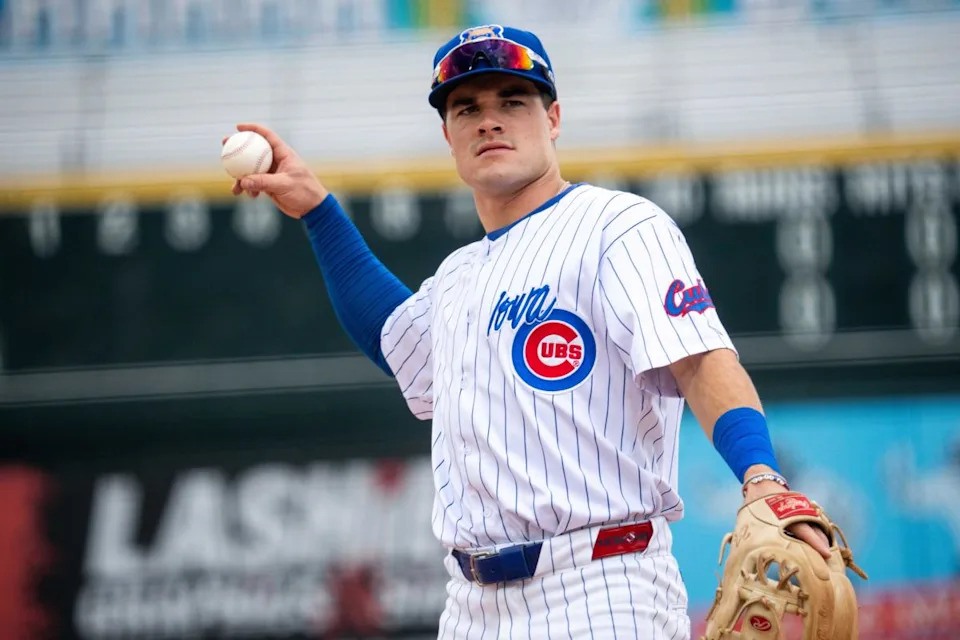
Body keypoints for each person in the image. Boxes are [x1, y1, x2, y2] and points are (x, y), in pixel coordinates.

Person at [228, 24, 830, 639]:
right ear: (449, 134)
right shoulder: (459, 275)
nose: (489, 121)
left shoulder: (616, 226)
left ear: (554, 118)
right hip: (470, 604)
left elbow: (700, 359)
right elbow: (396, 338)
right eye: (468, 108)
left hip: (601, 585)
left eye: (512, 101)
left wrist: (760, 476)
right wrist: (318, 210)